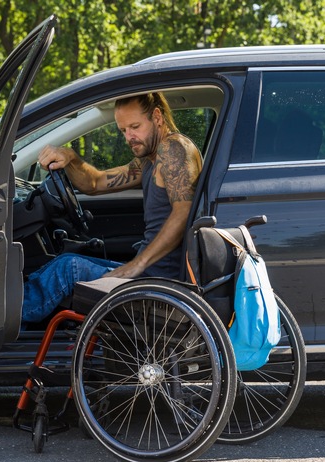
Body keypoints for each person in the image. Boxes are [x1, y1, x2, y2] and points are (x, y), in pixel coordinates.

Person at [22, 92, 203, 324]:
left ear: (157, 116)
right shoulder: (149, 160)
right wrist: (71, 158)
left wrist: (135, 266)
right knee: (65, 262)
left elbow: (183, 211)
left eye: (135, 126)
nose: (129, 137)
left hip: (159, 283)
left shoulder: (173, 149)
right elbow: (95, 183)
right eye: (123, 130)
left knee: (68, 269)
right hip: (149, 276)